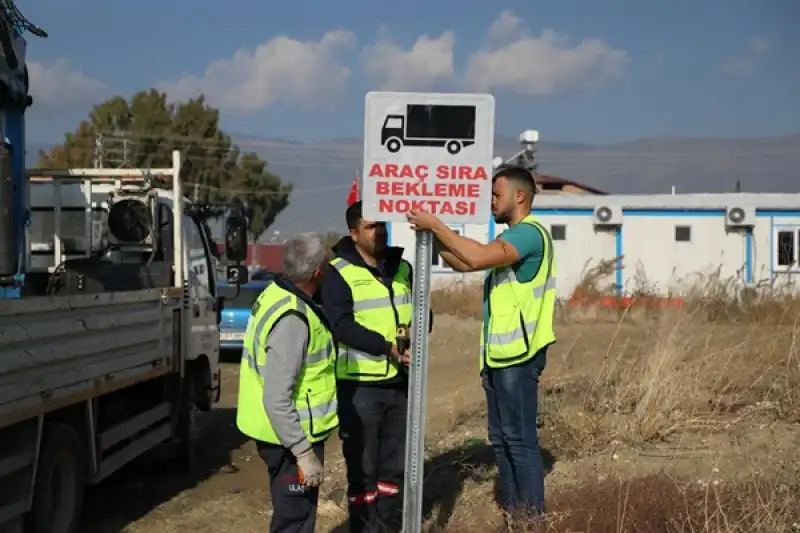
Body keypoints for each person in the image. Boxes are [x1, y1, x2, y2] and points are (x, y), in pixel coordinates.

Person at [406, 165, 556, 520]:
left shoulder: (529, 235)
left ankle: (532, 518)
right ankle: (513, 513)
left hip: (519, 356)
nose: (490, 201)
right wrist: (434, 235)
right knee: (502, 441)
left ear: (519, 196)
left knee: (519, 440)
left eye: (496, 194)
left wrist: (437, 225)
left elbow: (474, 256)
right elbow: (462, 263)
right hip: (499, 356)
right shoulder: (511, 240)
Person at [319, 200, 417, 533]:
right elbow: (341, 325)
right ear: (353, 232)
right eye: (371, 226)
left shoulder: (403, 267)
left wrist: (421, 327)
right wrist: (387, 348)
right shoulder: (338, 272)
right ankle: (363, 529)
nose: (380, 232)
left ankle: (388, 527)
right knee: (363, 470)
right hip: (360, 387)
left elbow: (420, 310)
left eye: (383, 225)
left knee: (393, 470)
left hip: (401, 384)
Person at [236, 232, 338, 533]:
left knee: (293, 518)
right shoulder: (293, 318)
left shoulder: (275, 293)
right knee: (295, 522)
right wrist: (303, 453)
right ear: (317, 272)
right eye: (328, 265)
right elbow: (277, 397)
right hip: (289, 438)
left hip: (280, 433)